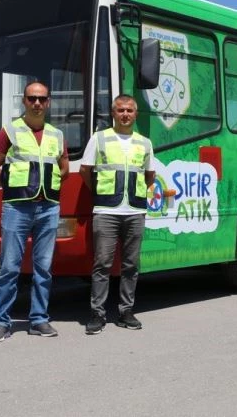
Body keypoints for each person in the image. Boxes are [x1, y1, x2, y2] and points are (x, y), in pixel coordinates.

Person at [0, 81, 68, 342]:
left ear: (49, 102)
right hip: (17, 208)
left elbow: (64, 168)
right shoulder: (10, 130)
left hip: (48, 207)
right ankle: (1, 322)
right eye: (32, 98)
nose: (37, 103)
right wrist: (12, 188)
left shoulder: (57, 134)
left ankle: (39, 320)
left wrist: (49, 187)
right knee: (10, 267)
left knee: (43, 267)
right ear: (24, 101)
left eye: (42, 99)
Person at [80, 94, 155, 335]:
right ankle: (97, 314)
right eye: (120, 110)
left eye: (129, 111)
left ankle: (126, 311)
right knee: (102, 264)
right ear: (113, 113)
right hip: (106, 211)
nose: (125, 114)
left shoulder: (144, 143)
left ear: (135, 114)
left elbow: (149, 175)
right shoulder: (99, 138)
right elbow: (85, 171)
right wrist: (102, 194)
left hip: (135, 211)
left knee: (131, 264)